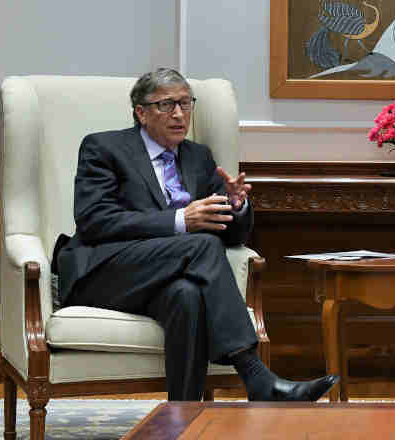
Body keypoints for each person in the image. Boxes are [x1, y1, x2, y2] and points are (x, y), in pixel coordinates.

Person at [56, 68, 339, 401]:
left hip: (168, 273)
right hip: (105, 272)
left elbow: (231, 237)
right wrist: (179, 220)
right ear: (141, 113)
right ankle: (255, 374)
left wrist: (236, 206)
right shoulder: (104, 148)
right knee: (202, 244)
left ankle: (183, 417)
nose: (179, 114)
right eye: (166, 105)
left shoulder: (197, 157)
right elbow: (95, 221)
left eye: (186, 103)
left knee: (186, 295)